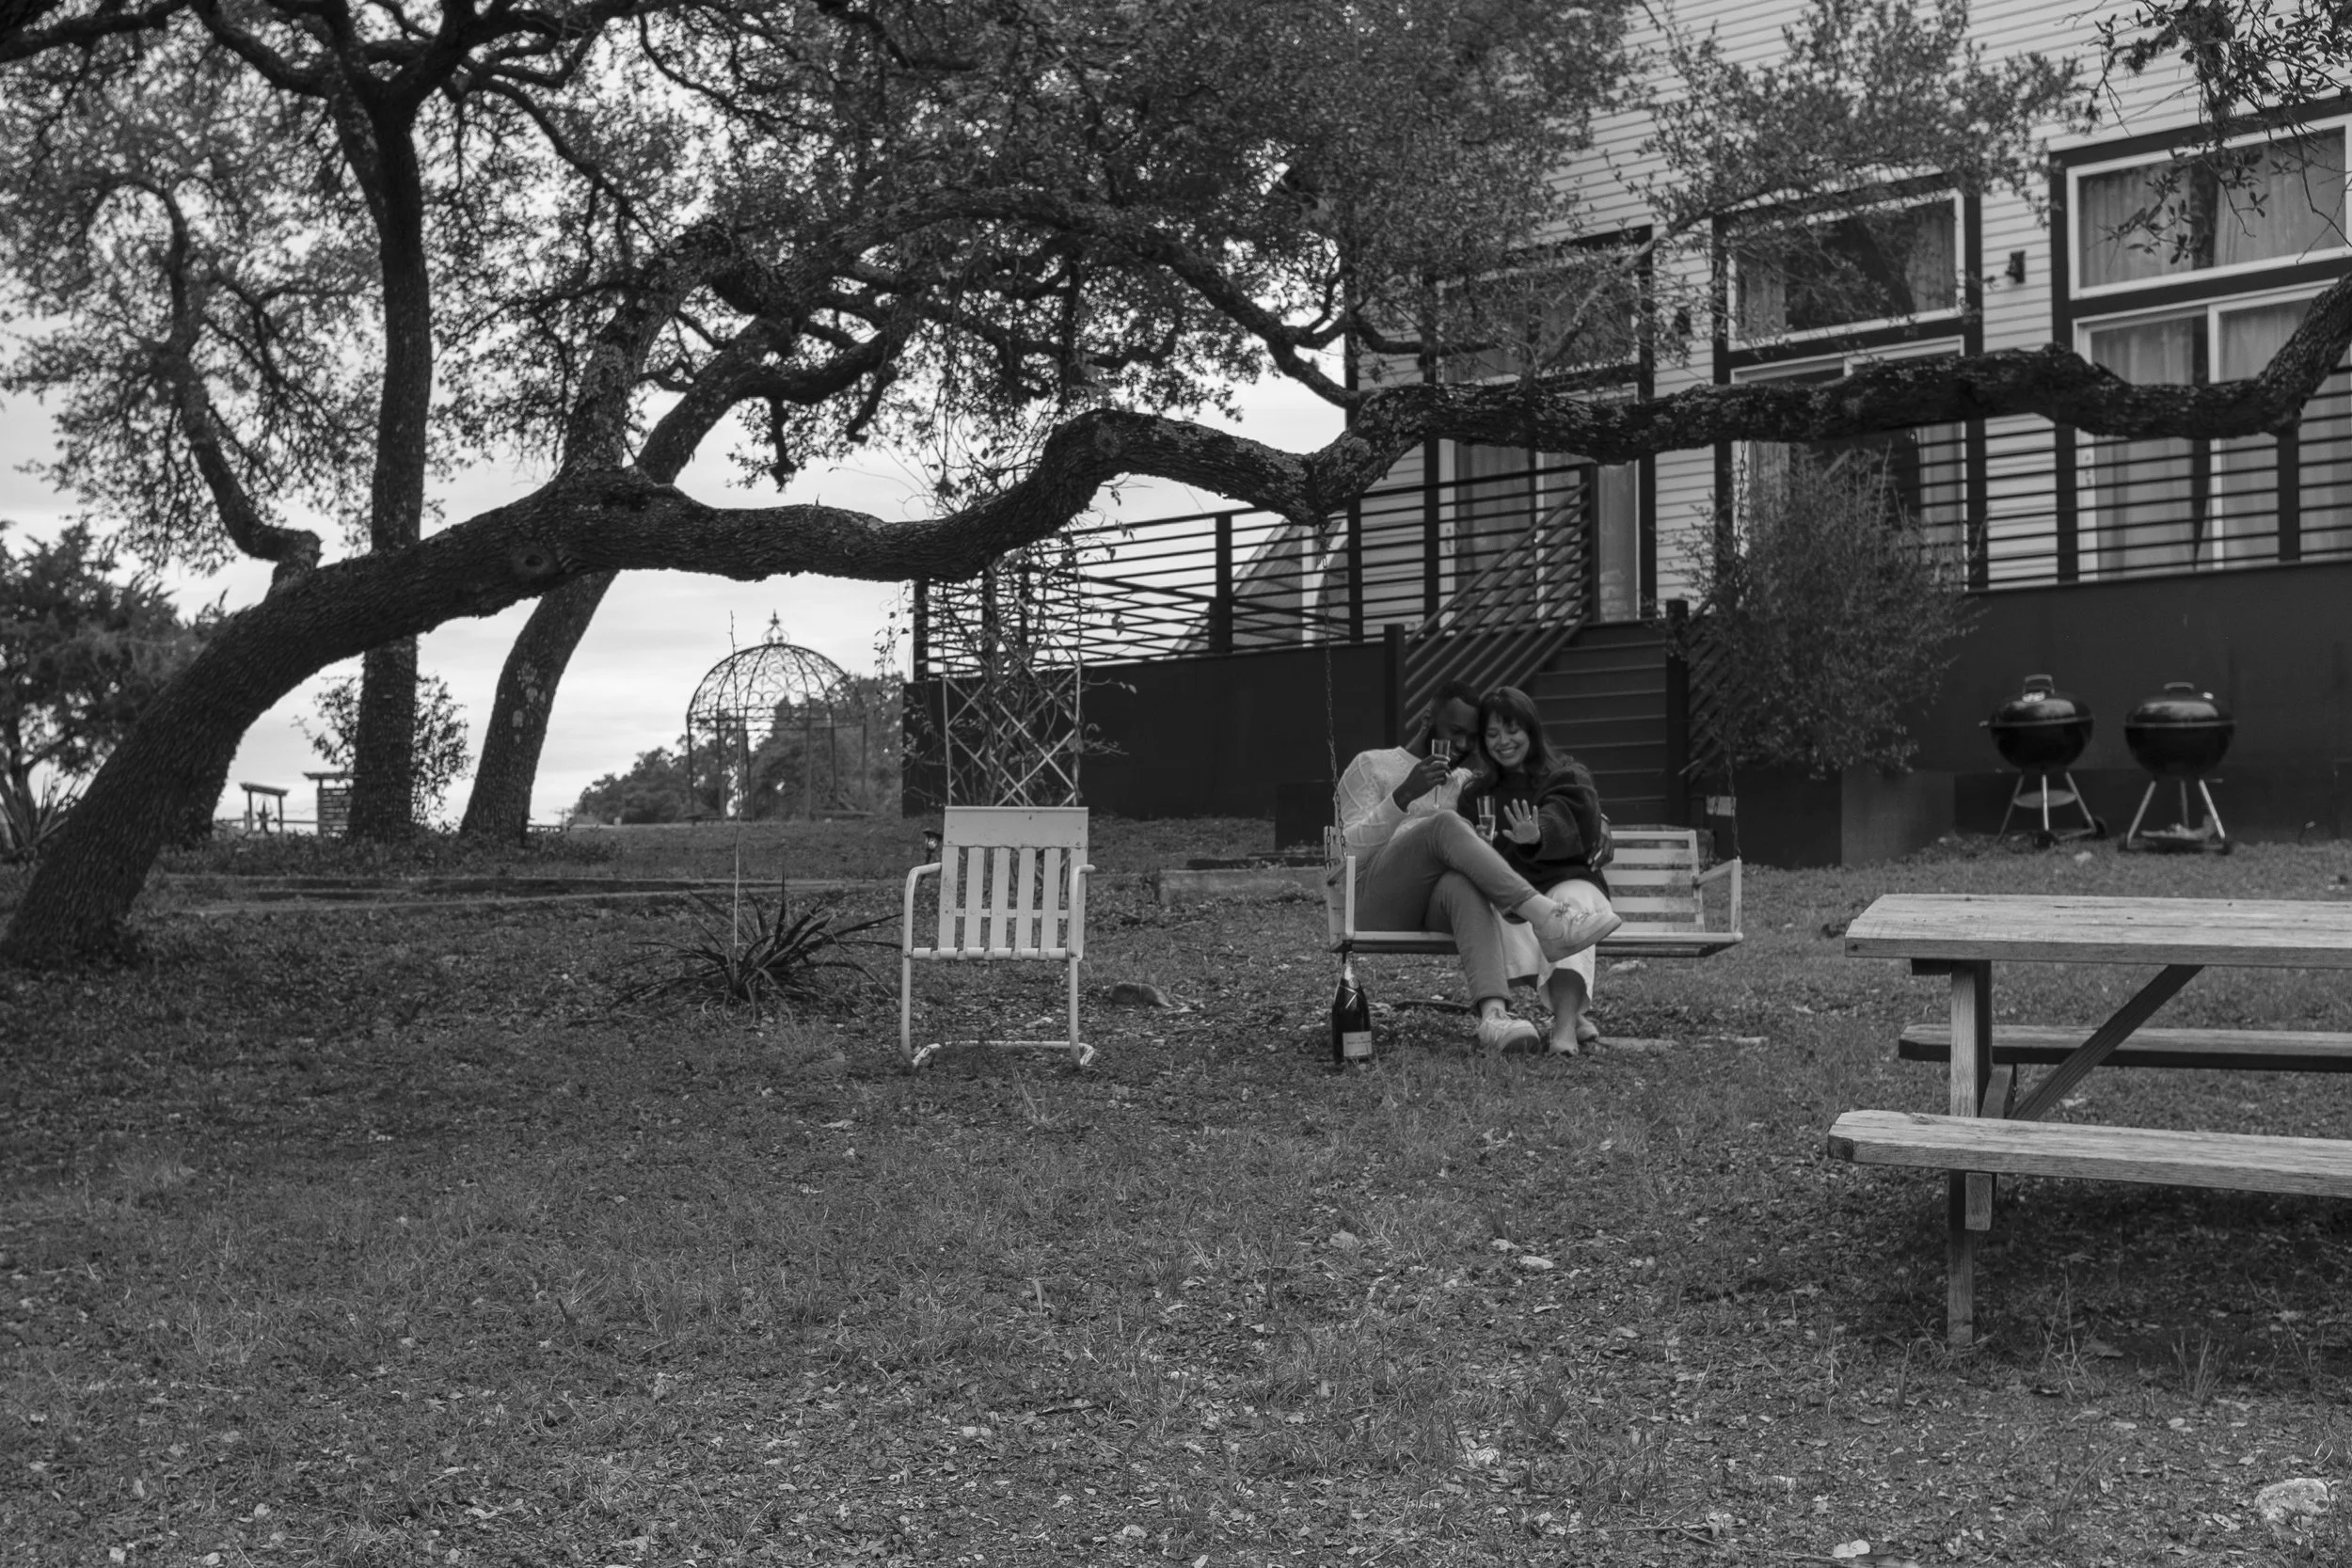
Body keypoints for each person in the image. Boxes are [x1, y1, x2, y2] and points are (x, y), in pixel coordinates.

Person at [1333, 680, 1620, 1052]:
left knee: (1462, 882)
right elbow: (1342, 852)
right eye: (1455, 733)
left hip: (1434, 905)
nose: (1464, 746)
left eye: (1472, 738)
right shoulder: (1371, 765)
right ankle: (1548, 917)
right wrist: (1403, 795)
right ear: (1428, 720)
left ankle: (1494, 1017)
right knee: (1444, 825)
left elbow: (1527, 789)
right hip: (1374, 903)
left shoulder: (1465, 783)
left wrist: (1600, 821)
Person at [1457, 685, 1622, 1054]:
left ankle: (1563, 1028)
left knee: (1571, 904)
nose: (1504, 742)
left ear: (1530, 729)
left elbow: (1572, 816)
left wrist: (1537, 833)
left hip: (1569, 878)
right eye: (1493, 734)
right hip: (1513, 891)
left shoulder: (1566, 775)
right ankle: (1570, 1012)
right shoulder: (1475, 794)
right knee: (1513, 911)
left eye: (1513, 730)